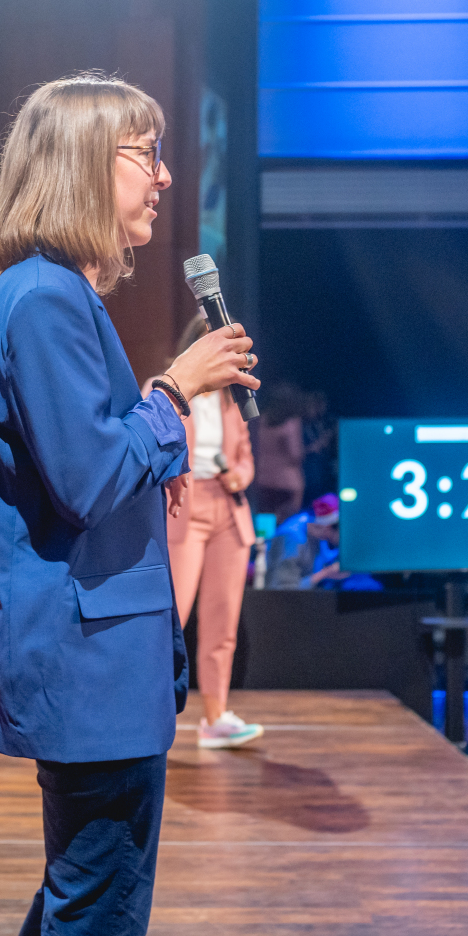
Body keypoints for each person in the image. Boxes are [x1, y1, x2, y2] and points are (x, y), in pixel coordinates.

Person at [0, 73, 261, 936]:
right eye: (148, 154)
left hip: (96, 665)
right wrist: (175, 390)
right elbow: (90, 477)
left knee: (82, 911)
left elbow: (90, 460)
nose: (164, 177)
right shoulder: (45, 298)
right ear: (86, 165)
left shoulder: (49, 294)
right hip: (87, 669)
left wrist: (155, 432)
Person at [163, 314, 263, 750]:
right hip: (185, 505)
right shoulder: (167, 387)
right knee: (172, 617)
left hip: (228, 508)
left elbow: (245, 459)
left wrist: (238, 476)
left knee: (222, 623)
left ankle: (216, 717)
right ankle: (149, 712)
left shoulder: (233, 399)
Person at [264, 494, 383, 591]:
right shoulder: (293, 538)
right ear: (327, 528)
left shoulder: (319, 536)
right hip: (280, 604)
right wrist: (325, 574)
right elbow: (284, 590)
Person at [252, 382, 306, 519]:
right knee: (286, 525)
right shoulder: (291, 423)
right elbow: (295, 455)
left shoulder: (260, 420)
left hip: (263, 479)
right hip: (286, 483)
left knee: (264, 524)